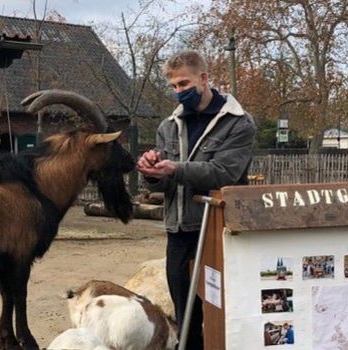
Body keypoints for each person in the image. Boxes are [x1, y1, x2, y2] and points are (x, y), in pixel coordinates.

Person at [137, 50, 256, 350]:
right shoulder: (168, 126)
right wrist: (152, 172)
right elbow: (164, 185)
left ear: (204, 78)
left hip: (218, 231)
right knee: (185, 314)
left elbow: (224, 172)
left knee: (222, 310)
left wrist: (175, 169)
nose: (179, 92)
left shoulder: (237, 123)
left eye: (184, 84)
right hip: (179, 233)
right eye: (174, 86)